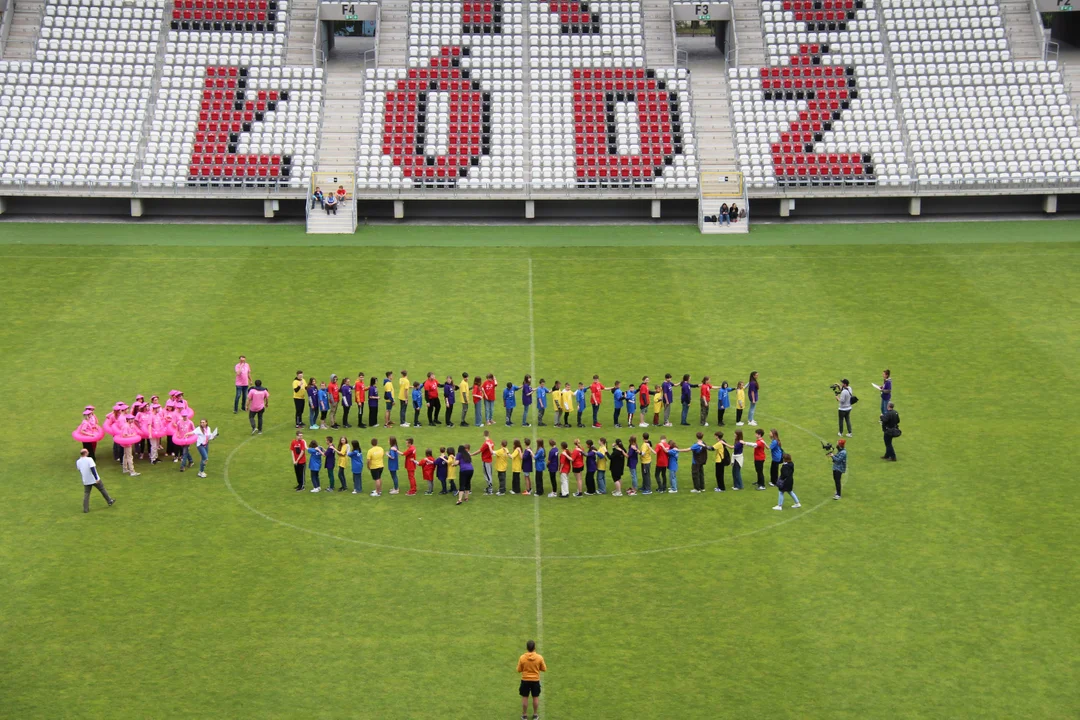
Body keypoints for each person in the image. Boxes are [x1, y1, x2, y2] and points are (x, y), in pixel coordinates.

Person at [516, 639, 547, 720]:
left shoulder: (522, 658)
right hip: (535, 681)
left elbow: (519, 670)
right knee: (535, 697)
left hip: (525, 680)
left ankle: (524, 715)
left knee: (525, 697)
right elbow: (544, 669)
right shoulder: (539, 658)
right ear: (534, 648)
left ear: (527, 648)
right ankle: (535, 714)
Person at [77, 448, 114, 513]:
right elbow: (92, 469)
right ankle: (109, 501)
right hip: (94, 479)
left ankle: (85, 509)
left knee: (86, 494)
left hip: (86, 480)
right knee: (102, 489)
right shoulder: (89, 459)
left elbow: (80, 470)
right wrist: (96, 478)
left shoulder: (78, 461)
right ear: (85, 453)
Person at [479, 430, 496, 494]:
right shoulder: (491, 442)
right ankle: (489, 487)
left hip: (486, 460)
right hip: (489, 460)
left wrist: (472, 454)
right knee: (489, 474)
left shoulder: (486, 443)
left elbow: (480, 450)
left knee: (487, 475)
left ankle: (490, 489)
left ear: (483, 434)